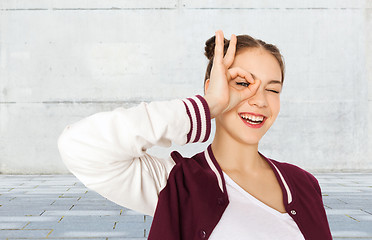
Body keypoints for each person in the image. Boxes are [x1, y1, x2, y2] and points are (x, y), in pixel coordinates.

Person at [58, 30, 332, 239]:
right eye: (243, 84)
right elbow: (78, 146)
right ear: (214, 87)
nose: (260, 100)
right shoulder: (175, 183)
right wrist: (208, 106)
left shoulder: (304, 184)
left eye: (273, 89)